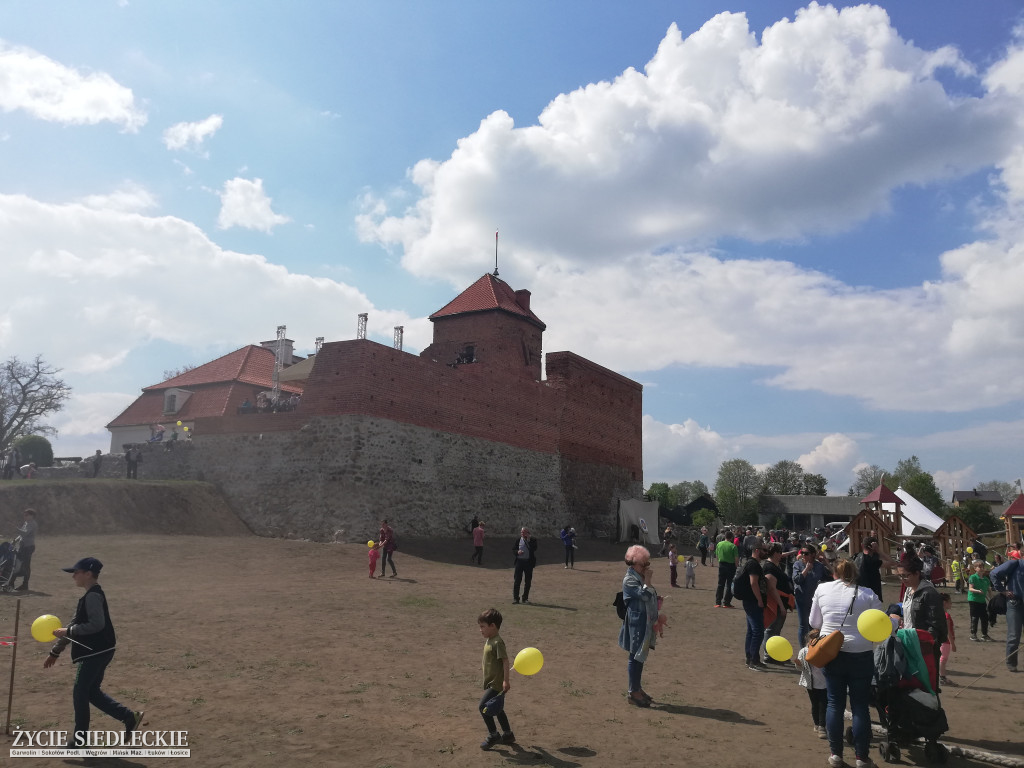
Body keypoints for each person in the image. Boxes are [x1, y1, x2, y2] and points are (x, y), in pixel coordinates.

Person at [43, 557, 143, 750]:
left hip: (95, 652)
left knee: (80, 692)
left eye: (76, 572)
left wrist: (69, 632)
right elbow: (72, 625)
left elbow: (96, 625)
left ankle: (80, 740)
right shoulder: (88, 596)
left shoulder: (93, 596)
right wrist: (55, 651)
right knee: (91, 692)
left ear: (88, 574)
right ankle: (129, 717)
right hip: (101, 651)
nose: (73, 576)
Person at [810, 557, 886, 768]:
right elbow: (880, 622)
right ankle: (862, 757)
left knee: (834, 703)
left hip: (832, 651)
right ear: (855, 574)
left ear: (834, 573)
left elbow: (814, 622)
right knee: (860, 707)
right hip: (860, 651)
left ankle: (836, 754)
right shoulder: (868, 594)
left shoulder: (822, 589)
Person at [618, 545, 658, 707]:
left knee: (640, 657)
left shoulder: (638, 577)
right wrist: (648, 581)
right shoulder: (630, 579)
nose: (647, 567)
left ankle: (637, 688)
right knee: (635, 657)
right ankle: (632, 692)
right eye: (644, 564)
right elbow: (644, 595)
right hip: (636, 622)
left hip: (644, 621)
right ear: (635, 563)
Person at [477, 608, 515, 749]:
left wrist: (506, 681)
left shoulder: (497, 642)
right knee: (498, 709)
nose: (481, 630)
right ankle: (508, 734)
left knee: (483, 707)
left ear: (492, 626)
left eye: (483, 627)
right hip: (492, 682)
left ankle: (493, 735)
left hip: (497, 684)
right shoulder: (490, 640)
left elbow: (505, 661)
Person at [989, 555, 1024, 673]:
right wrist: (1002, 590)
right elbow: (994, 574)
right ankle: (1011, 663)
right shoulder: (1014, 564)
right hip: (1015, 604)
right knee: (1014, 635)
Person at [762, 542, 794, 665]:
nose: (781, 555)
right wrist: (781, 605)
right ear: (775, 553)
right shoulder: (769, 567)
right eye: (780, 552)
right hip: (774, 604)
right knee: (771, 629)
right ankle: (768, 654)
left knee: (776, 630)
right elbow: (772, 588)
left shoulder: (774, 565)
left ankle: (774, 653)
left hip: (780, 602)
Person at [738, 540, 769, 671]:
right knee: (758, 631)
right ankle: (753, 661)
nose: (765, 553)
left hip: (750, 601)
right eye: (764, 550)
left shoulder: (752, 563)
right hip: (753, 601)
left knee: (752, 631)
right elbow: (753, 583)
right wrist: (759, 600)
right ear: (757, 550)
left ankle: (751, 657)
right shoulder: (753, 565)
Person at [793, 545, 829, 647]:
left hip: (815, 600)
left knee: (814, 626)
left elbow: (832, 576)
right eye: (802, 553)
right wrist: (807, 569)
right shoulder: (798, 564)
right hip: (801, 599)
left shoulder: (819, 566)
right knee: (803, 625)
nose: (803, 555)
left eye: (806, 553)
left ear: (813, 555)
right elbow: (797, 580)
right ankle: (802, 650)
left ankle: (812, 648)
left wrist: (826, 562)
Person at [796, 628, 828, 739]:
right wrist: (798, 664)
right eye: (813, 639)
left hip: (824, 684)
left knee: (823, 705)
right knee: (815, 705)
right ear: (809, 640)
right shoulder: (804, 652)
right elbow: (801, 668)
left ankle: (822, 727)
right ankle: (817, 724)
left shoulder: (825, 651)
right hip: (811, 684)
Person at [855, 536, 893, 602]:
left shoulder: (856, 557)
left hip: (859, 593)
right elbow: (892, 562)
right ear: (874, 547)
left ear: (862, 545)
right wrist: (879, 550)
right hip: (873, 594)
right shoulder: (873, 561)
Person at [967, 560, 993, 641]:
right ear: (975, 568)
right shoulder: (973, 577)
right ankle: (973, 634)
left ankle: (984, 634)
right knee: (974, 617)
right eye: (979, 567)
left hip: (982, 601)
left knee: (984, 617)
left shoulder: (986, 579)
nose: (981, 569)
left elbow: (989, 590)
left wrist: (991, 599)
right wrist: (978, 591)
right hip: (973, 600)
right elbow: (970, 588)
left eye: (982, 567)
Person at [14, 508, 38, 591]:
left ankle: (25, 585)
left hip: (28, 547)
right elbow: (22, 535)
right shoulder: (26, 523)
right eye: (24, 515)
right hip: (23, 546)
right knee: (18, 564)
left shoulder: (32, 524)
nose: (24, 516)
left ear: (32, 516)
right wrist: (15, 540)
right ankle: (12, 582)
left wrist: (15, 529)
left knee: (26, 566)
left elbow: (24, 533)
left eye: (26, 515)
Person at [512, 528, 537, 604]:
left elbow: (534, 549)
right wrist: (517, 552)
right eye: (521, 532)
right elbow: (513, 549)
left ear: (527, 533)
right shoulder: (518, 540)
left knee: (528, 581)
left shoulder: (533, 540)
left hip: (528, 563)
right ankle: (516, 598)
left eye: (523, 532)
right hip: (519, 562)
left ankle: (525, 598)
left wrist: (528, 540)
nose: (522, 533)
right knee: (517, 580)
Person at [714, 528, 738, 608]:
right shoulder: (733, 546)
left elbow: (717, 556)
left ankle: (718, 602)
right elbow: (736, 559)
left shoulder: (719, 544)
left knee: (720, 584)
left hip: (722, 565)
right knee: (729, 584)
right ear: (731, 538)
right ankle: (726, 602)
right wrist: (736, 566)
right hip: (731, 566)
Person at [939, 593, 957, 687]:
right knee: (943, 659)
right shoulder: (946, 616)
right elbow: (948, 631)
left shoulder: (939, 614)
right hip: (945, 642)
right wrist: (952, 644)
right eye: (950, 602)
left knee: (942, 659)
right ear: (944, 603)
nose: (951, 604)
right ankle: (942, 678)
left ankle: (942, 677)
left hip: (942, 641)